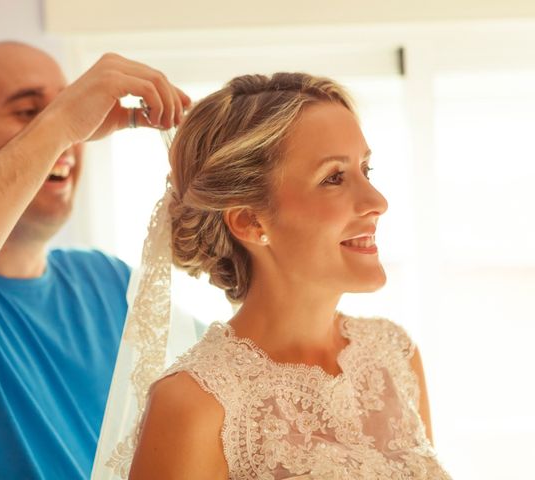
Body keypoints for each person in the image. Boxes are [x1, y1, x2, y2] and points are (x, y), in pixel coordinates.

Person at [127, 73, 452, 479]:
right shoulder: (195, 403)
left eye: (365, 170)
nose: (377, 201)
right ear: (249, 221)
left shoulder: (394, 356)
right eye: (334, 177)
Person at [0, 41, 190, 479]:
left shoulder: (107, 280)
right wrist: (60, 122)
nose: (76, 136)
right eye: (28, 111)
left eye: (70, 106)